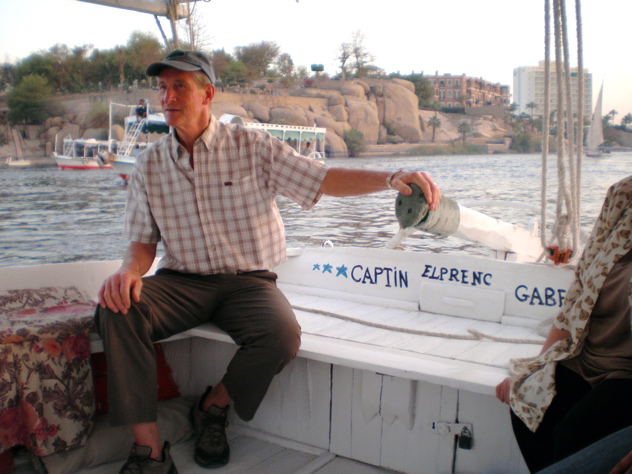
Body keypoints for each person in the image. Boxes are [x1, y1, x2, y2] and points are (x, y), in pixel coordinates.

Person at [95, 49, 441, 474]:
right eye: (163, 87)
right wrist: (129, 271)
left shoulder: (252, 145)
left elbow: (321, 178)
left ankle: (213, 406)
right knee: (117, 308)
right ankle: (149, 453)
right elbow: (142, 241)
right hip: (182, 281)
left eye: (179, 86)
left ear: (208, 94)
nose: (167, 96)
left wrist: (390, 179)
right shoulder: (149, 164)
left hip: (249, 281)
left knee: (282, 336)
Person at [496, 175, 632, 473]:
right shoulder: (623, 195)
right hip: (586, 356)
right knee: (528, 404)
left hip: (627, 371)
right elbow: (579, 290)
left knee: (577, 431)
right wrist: (541, 365)